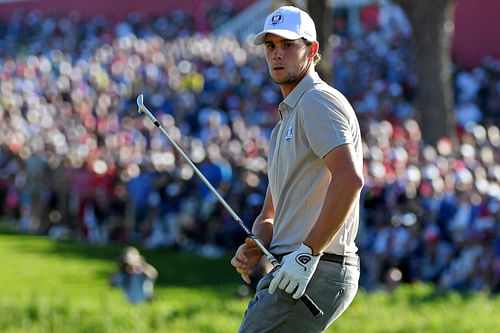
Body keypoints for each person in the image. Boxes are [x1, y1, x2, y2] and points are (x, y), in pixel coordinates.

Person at [230, 6, 364, 332]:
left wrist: (307, 254)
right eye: (271, 46)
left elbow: (349, 179)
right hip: (293, 265)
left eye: (289, 45)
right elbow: (270, 214)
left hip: (316, 264)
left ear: (312, 50)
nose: (277, 54)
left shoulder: (317, 101)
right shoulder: (284, 122)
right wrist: (255, 245)